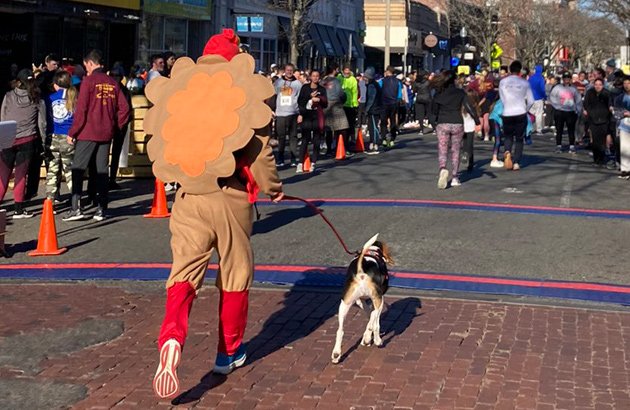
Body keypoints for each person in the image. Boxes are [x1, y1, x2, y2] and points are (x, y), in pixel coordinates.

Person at [147, 29, 284, 399]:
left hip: (189, 196)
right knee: (235, 270)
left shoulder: (185, 91)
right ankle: (228, 351)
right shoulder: (242, 95)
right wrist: (273, 188)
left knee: (184, 272)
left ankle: (172, 336)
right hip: (230, 197)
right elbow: (260, 157)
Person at [62, 50, 130, 222]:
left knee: (77, 169)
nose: (86, 69)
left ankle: (76, 207)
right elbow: (125, 108)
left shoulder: (89, 81)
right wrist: (115, 126)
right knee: (102, 170)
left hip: (88, 132)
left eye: (86, 66)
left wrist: (73, 132)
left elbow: (82, 110)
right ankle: (101, 208)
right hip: (106, 133)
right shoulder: (112, 83)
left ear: (90, 63)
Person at [0, 69, 46, 218]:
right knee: (21, 175)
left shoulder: (8, 96)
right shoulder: (37, 97)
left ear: (18, 82)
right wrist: (44, 141)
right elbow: (42, 123)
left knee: (3, 175)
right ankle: (18, 209)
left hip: (7, 138)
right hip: (28, 139)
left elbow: (2, 117)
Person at [430, 70, 479, 188]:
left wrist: (434, 122)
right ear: (454, 80)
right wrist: (476, 120)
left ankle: (442, 168)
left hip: (443, 122)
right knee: (455, 150)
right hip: (457, 122)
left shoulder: (438, 93)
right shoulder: (460, 93)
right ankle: (455, 177)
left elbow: (433, 111)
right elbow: (468, 106)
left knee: (443, 149)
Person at [45, 71, 76, 205]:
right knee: (70, 171)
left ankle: (49, 201)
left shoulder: (49, 98)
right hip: (68, 137)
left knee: (52, 170)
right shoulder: (74, 98)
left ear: (56, 85)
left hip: (52, 137)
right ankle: (75, 201)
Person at [498, 60, 534, 171]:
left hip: (507, 112)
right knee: (519, 138)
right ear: (520, 71)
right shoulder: (525, 83)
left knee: (508, 135)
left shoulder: (503, 82)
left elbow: (502, 99)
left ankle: (507, 150)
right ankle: (517, 162)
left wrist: (507, 106)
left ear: (509, 70)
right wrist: (525, 109)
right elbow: (531, 100)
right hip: (520, 111)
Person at [297, 69, 327, 173]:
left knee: (316, 140)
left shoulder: (322, 89)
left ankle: (313, 162)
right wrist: (309, 98)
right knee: (305, 139)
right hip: (307, 115)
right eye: (313, 76)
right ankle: (300, 163)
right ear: (310, 77)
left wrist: (320, 100)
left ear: (319, 78)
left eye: (317, 76)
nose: (315, 78)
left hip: (317, 115)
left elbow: (325, 103)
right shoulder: (305, 88)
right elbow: (300, 101)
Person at [273, 63, 302, 167]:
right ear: (284, 71)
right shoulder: (278, 82)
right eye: (287, 70)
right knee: (281, 137)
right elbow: (274, 95)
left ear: (293, 71)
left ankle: (293, 158)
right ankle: (280, 158)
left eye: (291, 70)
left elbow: (300, 99)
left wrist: (300, 113)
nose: (289, 72)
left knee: (293, 137)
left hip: (293, 112)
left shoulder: (297, 84)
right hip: (280, 113)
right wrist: (273, 110)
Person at [108, 66, 132, 189]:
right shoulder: (119, 90)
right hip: (114, 125)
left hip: (117, 126)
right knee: (108, 153)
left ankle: (110, 179)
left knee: (113, 153)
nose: (114, 78)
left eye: (116, 76)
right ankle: (108, 179)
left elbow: (128, 110)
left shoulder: (123, 91)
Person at [549, 72, 582, 154]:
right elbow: (551, 97)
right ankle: (558, 145)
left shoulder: (574, 89)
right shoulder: (557, 88)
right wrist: (557, 106)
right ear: (563, 79)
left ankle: (571, 146)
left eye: (568, 78)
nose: (566, 80)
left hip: (571, 112)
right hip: (560, 112)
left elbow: (578, 100)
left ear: (570, 79)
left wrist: (578, 110)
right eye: (565, 78)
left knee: (571, 129)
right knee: (559, 129)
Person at [321, 64, 350, 156]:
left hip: (325, 106)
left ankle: (329, 149)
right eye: (337, 69)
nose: (338, 71)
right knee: (342, 127)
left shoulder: (323, 81)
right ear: (334, 70)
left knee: (328, 129)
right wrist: (343, 100)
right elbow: (341, 94)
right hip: (336, 105)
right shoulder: (336, 81)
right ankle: (340, 146)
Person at [583, 78, 613, 166]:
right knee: (595, 141)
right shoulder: (590, 92)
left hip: (604, 120)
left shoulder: (606, 93)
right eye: (596, 84)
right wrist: (588, 112)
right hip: (593, 119)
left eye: (600, 84)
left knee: (602, 141)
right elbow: (586, 104)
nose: (598, 86)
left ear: (602, 85)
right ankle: (596, 159)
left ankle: (602, 159)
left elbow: (610, 104)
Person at [379, 66, 401, 147]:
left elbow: (378, 90)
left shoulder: (382, 81)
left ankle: (384, 139)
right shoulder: (397, 82)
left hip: (384, 103)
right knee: (393, 121)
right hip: (393, 103)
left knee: (383, 121)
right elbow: (399, 94)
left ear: (387, 71)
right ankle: (392, 139)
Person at [363, 67, 382, 155]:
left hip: (374, 109)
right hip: (375, 108)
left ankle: (375, 143)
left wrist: (366, 109)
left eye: (366, 77)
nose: (364, 78)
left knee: (373, 127)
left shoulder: (372, 86)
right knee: (372, 126)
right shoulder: (374, 84)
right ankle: (373, 143)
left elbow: (371, 99)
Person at [613, 76, 630, 177]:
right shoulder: (619, 97)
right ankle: (625, 169)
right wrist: (623, 114)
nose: (627, 85)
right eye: (625, 83)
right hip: (624, 124)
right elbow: (616, 112)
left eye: (628, 83)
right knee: (624, 147)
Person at [338, 64, 359, 147]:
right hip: (340, 105)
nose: (347, 72)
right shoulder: (339, 78)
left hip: (349, 105)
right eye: (345, 71)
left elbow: (355, 92)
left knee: (350, 124)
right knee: (341, 125)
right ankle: (340, 141)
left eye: (348, 71)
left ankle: (351, 140)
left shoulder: (353, 79)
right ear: (343, 71)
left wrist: (355, 104)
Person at [528, 65, 546, 135]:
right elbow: (542, 89)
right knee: (539, 114)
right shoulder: (541, 79)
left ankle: (529, 128)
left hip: (530, 98)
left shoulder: (530, 78)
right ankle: (539, 130)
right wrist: (544, 96)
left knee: (531, 112)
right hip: (538, 98)